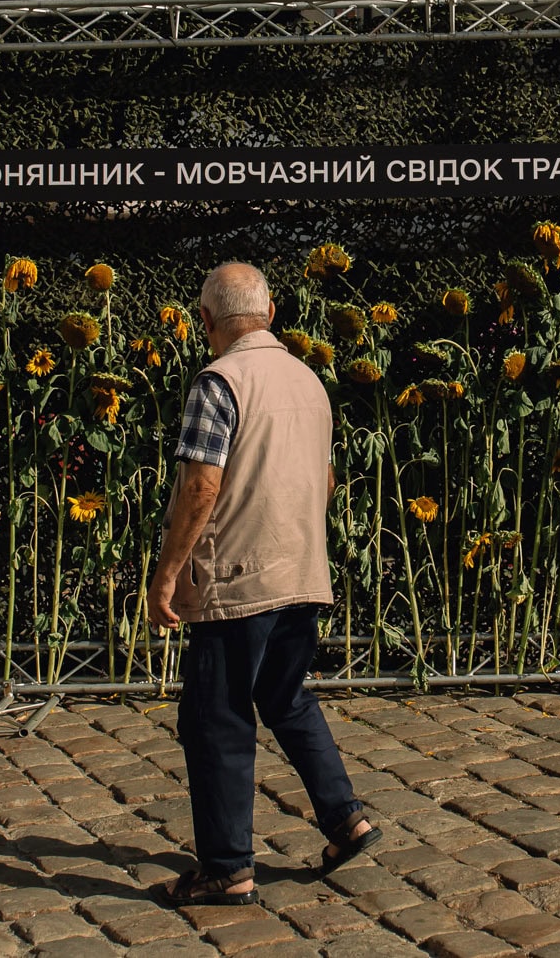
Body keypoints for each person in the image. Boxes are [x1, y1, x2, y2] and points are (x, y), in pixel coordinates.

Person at [146, 261, 379, 907]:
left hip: (235, 578)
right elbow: (326, 480)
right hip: (302, 569)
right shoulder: (309, 381)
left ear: (205, 321)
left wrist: (166, 573)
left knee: (215, 718)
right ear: (271, 312)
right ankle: (344, 818)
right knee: (286, 698)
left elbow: (201, 486)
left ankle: (226, 868)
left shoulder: (218, 382)